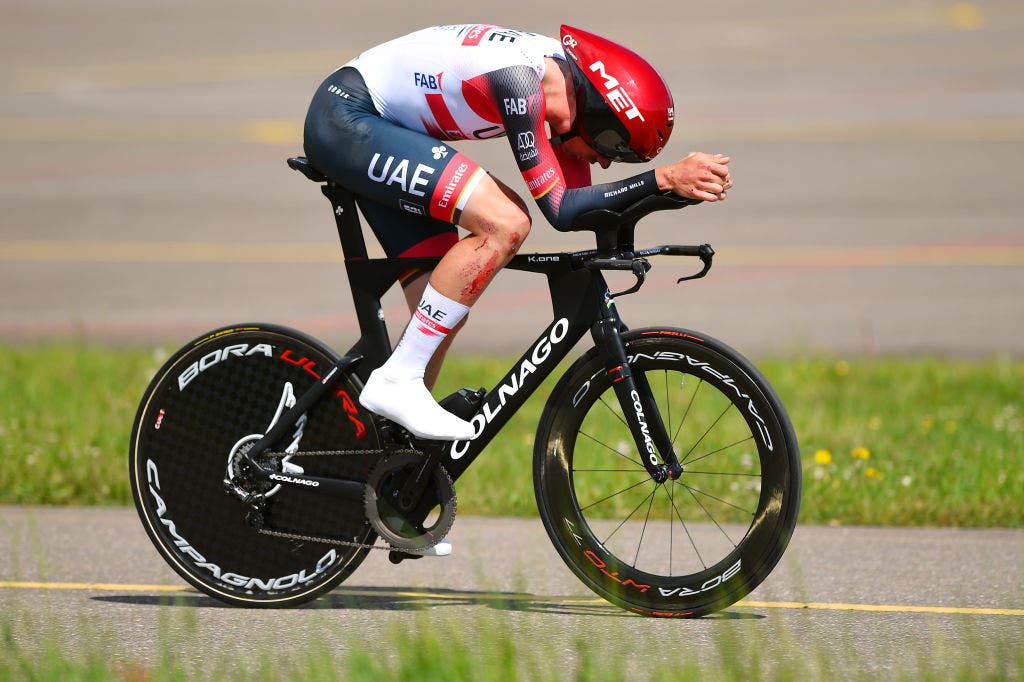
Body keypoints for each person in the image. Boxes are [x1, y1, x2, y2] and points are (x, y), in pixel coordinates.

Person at [304, 24, 732, 443]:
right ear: (598, 118)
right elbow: (562, 210)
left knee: (445, 301)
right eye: (611, 151)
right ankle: (397, 381)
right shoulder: (519, 81)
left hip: (388, 131)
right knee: (507, 222)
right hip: (347, 118)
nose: (605, 164)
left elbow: (588, 205)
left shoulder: (561, 80)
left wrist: (671, 193)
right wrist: (661, 179)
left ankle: (377, 458)